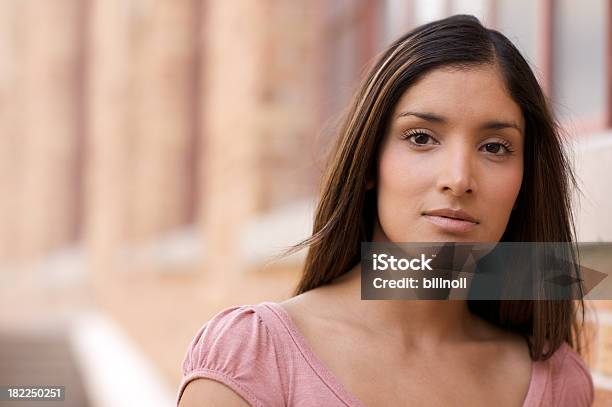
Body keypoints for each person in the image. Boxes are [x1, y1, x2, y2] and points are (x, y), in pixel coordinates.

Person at [177, 15, 594, 406]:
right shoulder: (254, 357)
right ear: (370, 163)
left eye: (494, 147)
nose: (458, 177)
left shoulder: (558, 382)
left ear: (524, 180)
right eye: (421, 138)